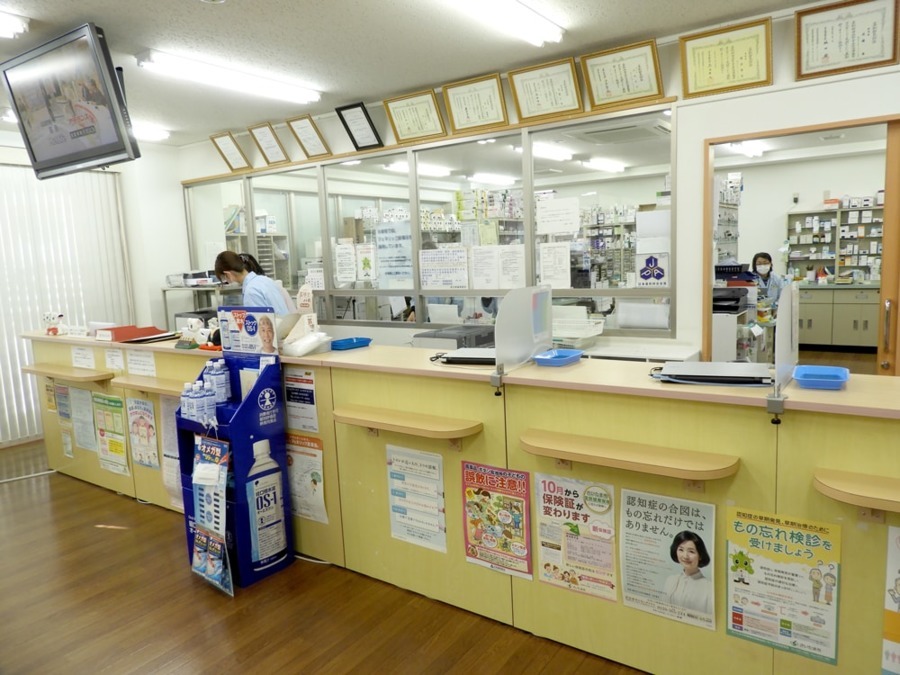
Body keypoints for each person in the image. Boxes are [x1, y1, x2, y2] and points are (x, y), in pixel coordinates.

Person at [214, 250, 289, 314]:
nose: (227, 282)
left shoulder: (251, 290)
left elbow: (258, 324)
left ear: (228, 274)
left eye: (224, 279)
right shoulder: (265, 280)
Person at [663, 530, 713, 615]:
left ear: (700, 555)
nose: (685, 556)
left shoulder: (709, 587)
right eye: (681, 549)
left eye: (691, 551)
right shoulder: (671, 580)